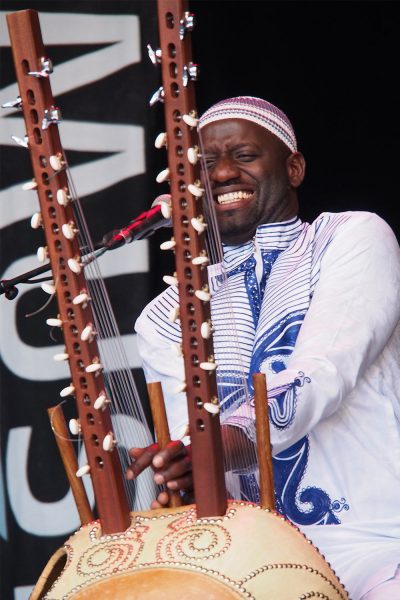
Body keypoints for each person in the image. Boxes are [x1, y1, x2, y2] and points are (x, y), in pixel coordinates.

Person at [127, 96, 400, 599]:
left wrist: (214, 447)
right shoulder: (165, 316)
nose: (223, 173)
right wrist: (180, 469)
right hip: (253, 562)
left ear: (294, 168)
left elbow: (322, 374)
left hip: (377, 545)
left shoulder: (352, 238)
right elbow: (192, 442)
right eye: (205, 164)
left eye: (244, 155)